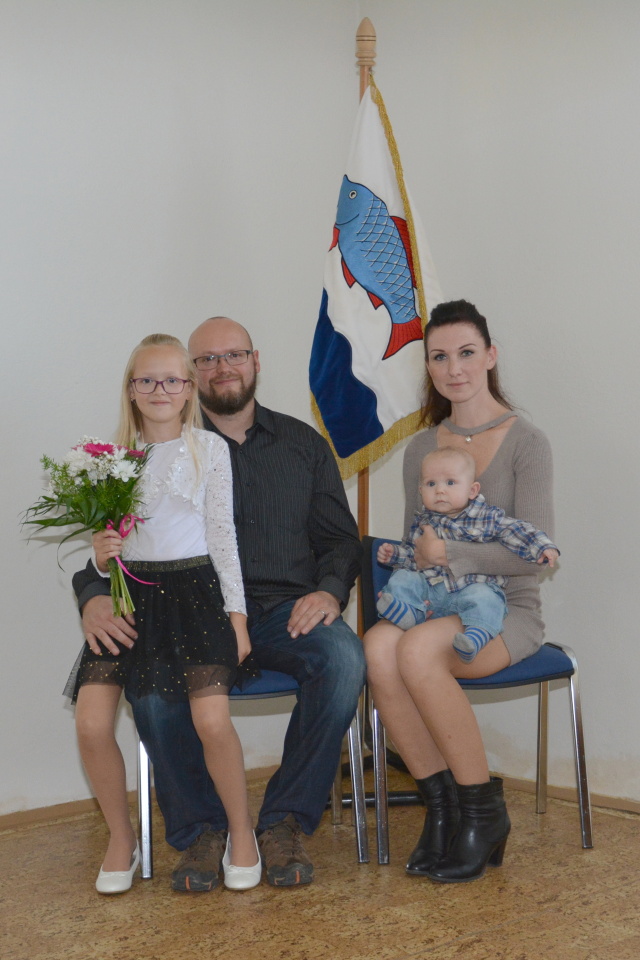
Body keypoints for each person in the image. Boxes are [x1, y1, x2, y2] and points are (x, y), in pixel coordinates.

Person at [73, 317, 365, 891]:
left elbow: (340, 539)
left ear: (256, 361)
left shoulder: (304, 444)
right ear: (191, 375)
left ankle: (282, 821)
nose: (222, 367)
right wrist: (92, 596)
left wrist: (328, 591)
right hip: (184, 611)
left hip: (284, 610)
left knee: (343, 659)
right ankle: (201, 830)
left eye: (234, 354)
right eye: (206, 359)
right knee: (153, 697)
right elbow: (119, 543)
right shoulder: (153, 444)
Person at [364, 299, 557, 884]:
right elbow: (415, 543)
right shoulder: (422, 448)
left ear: (491, 356)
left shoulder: (528, 441)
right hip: (435, 601)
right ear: (428, 366)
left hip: (505, 609)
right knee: (377, 647)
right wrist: (413, 560)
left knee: (418, 650)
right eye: (440, 357)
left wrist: (452, 554)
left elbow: (534, 554)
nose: (454, 369)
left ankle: (482, 812)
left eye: (467, 353)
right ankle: (442, 809)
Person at [68, 333, 261, 894]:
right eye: (147, 380)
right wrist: (102, 558)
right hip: (132, 601)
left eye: (172, 379)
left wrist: (238, 616)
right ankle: (121, 838)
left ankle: (241, 832)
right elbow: (108, 551)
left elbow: (223, 537)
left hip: (196, 594)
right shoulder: (110, 460)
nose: (160, 389)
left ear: (190, 388)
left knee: (211, 721)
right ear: (131, 390)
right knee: (90, 722)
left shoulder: (209, 449)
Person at [376, 446, 559, 662]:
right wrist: (395, 555)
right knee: (403, 577)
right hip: (430, 596)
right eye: (431, 484)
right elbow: (414, 557)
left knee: (487, 597)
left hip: (469, 590)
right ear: (421, 490)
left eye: (450, 482)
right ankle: (409, 612)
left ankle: (475, 636)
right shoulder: (423, 521)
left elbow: (517, 530)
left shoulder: (486, 517)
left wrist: (542, 546)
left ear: (472, 490)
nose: (440, 490)